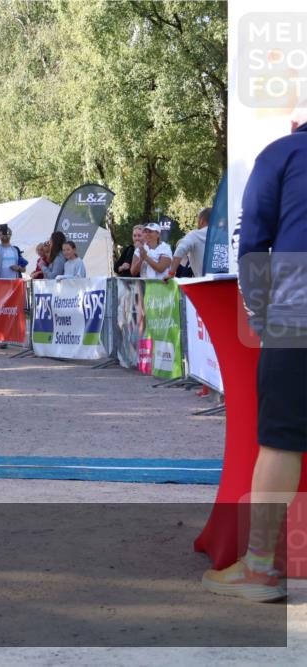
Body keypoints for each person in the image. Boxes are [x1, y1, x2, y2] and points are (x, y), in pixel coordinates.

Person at [202, 107, 307, 602]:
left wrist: (264, 319)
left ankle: (261, 570)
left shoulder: (281, 153)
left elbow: (253, 245)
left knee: (282, 441)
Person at [169, 208, 211, 279]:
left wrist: (171, 273)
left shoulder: (194, 235)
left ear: (201, 221)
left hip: (203, 283)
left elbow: (181, 249)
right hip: (228, 283)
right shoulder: (226, 235)